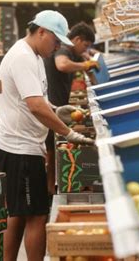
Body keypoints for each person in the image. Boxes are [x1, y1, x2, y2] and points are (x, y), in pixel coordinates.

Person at [0, 10, 94, 261]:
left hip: (20, 144)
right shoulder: (22, 57)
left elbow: (38, 100)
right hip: (21, 149)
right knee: (37, 215)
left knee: (18, 212)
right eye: (56, 40)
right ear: (41, 31)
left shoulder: (34, 55)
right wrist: (68, 132)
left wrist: (57, 110)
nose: (58, 46)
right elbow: (34, 106)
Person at [43, 22, 98, 195]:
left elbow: (92, 76)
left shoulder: (75, 54)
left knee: (53, 151)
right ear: (76, 39)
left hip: (59, 107)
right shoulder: (64, 50)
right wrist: (85, 66)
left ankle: (51, 188)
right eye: (85, 45)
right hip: (51, 108)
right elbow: (62, 65)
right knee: (52, 153)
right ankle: (50, 191)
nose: (84, 49)